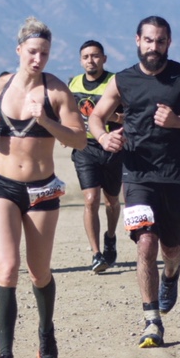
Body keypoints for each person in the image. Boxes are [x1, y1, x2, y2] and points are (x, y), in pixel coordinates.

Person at [0, 18, 87, 358]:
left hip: (41, 189)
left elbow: (78, 139)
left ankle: (46, 331)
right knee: (8, 267)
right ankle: (5, 357)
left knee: (39, 271)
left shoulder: (58, 92)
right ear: (19, 50)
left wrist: (46, 121)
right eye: (32, 51)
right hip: (1, 186)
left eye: (44, 53)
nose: (38, 58)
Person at [89, 15, 180, 348]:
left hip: (175, 175)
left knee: (170, 248)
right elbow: (96, 117)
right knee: (146, 243)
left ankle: (171, 273)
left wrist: (178, 120)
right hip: (137, 174)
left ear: (168, 43)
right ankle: (151, 320)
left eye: (160, 41)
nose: (154, 47)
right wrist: (104, 139)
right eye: (148, 40)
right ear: (137, 41)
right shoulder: (122, 80)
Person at [67, 40, 123, 273]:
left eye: (95, 56)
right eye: (86, 56)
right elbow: (67, 113)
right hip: (85, 148)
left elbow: (129, 117)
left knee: (111, 201)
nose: (91, 60)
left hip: (112, 148)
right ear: (81, 60)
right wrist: (66, 132)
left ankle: (110, 236)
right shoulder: (73, 84)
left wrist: (109, 119)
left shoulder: (116, 82)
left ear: (104, 58)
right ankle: (96, 254)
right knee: (90, 199)